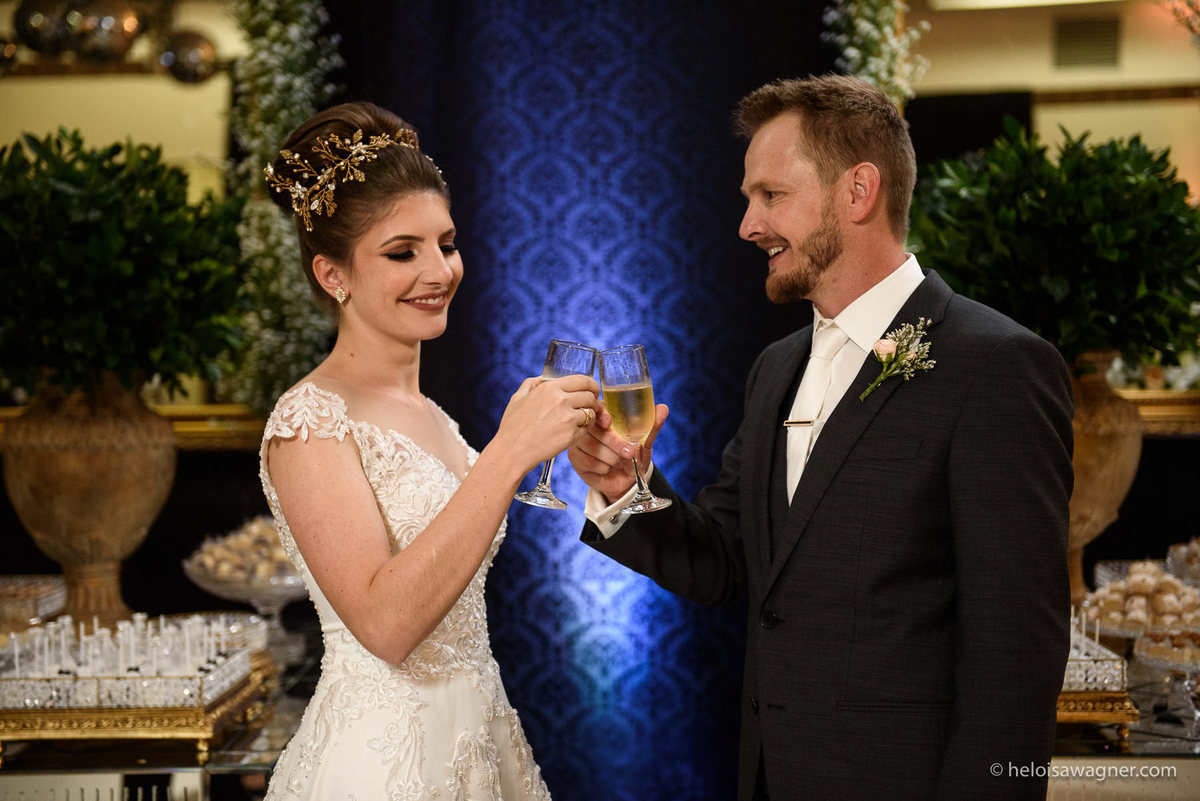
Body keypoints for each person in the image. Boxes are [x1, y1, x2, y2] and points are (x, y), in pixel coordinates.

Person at [568, 74, 1073, 800]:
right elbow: (728, 562)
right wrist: (627, 490)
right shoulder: (776, 368)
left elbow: (1017, 654)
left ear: (858, 191)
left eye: (771, 195)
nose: (748, 225)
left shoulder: (996, 366)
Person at [259, 101, 598, 799]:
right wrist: (508, 453)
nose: (439, 270)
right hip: (382, 765)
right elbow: (386, 626)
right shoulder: (310, 421)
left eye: (446, 243)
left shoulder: (435, 418)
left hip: (481, 743)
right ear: (332, 274)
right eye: (402, 252)